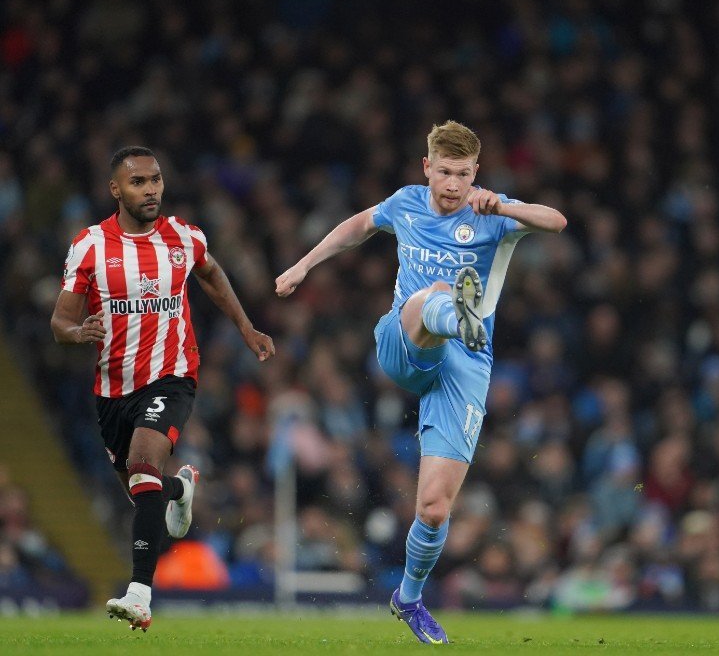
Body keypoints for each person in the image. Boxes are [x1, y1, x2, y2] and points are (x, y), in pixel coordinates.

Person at [276, 121, 566, 643]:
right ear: (426, 168)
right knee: (429, 294)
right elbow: (358, 226)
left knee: (433, 507)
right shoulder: (406, 203)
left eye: (462, 174)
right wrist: (303, 265)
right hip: (403, 341)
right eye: (444, 172)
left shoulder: (492, 214)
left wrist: (504, 206)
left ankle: (408, 597)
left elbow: (556, 220)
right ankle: (456, 314)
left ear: (475, 173)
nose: (452, 184)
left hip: (464, 368)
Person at [50, 146, 275, 631]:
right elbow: (59, 322)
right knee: (143, 488)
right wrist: (77, 332)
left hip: (172, 375)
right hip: (113, 390)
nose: (150, 189)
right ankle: (181, 489)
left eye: (155, 180)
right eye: (138, 183)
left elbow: (212, 276)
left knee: (142, 465)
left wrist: (246, 328)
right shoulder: (89, 245)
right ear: (116, 190)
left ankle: (139, 594)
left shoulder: (183, 237)